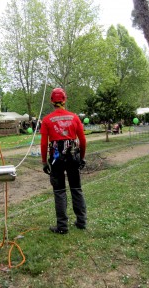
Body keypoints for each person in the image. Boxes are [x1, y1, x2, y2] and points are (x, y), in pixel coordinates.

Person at [40, 88, 87, 234]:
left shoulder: (47, 120)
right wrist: (82, 158)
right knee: (76, 189)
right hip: (72, 156)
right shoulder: (74, 118)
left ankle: (62, 226)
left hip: (56, 158)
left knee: (59, 191)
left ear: (51, 101)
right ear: (64, 100)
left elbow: (43, 143)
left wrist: (44, 162)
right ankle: (81, 221)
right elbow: (83, 140)